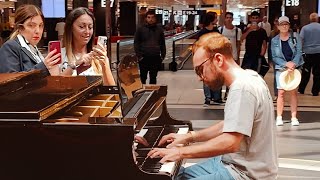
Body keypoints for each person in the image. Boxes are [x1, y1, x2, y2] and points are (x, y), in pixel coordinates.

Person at [148, 32, 278, 179]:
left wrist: (179, 152)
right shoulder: (250, 76)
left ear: (218, 59)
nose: (199, 77)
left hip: (245, 174)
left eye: (200, 69)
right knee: (176, 175)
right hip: (232, 162)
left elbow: (230, 143)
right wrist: (189, 137)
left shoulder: (242, 88)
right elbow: (230, 124)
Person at [59, 7, 115, 86]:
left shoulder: (97, 57)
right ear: (70, 28)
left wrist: (105, 64)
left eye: (90, 27)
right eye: (82, 27)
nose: (87, 32)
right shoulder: (60, 55)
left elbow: (111, 90)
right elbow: (55, 86)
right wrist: (74, 65)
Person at [0, 4, 60, 76]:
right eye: (31, 25)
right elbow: (10, 81)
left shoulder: (34, 48)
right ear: (20, 27)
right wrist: (43, 67)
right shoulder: (10, 47)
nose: (38, 31)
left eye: (40, 26)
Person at [271, 16, 304, 126]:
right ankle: (279, 117)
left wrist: (293, 63)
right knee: (281, 92)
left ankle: (294, 117)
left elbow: (299, 52)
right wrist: (286, 64)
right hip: (281, 68)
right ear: (278, 26)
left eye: (286, 24)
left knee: (293, 92)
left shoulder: (295, 37)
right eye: (282, 24)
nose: (284, 26)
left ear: (289, 25)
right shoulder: (275, 40)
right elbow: (274, 57)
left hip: (294, 67)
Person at [198, 11, 223, 106]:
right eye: (216, 18)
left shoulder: (216, 31)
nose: (217, 19)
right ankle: (208, 98)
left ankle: (217, 97)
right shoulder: (203, 32)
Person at [134, 10, 166, 84]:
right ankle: (142, 93)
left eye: (152, 17)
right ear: (146, 18)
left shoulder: (159, 30)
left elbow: (162, 43)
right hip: (144, 57)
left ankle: (152, 93)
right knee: (143, 77)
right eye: (149, 17)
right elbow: (136, 43)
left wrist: (162, 55)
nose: (151, 19)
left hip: (155, 57)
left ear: (155, 18)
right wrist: (139, 56)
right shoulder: (140, 29)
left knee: (153, 77)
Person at [218, 12, 242, 100]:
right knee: (221, 75)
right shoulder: (220, 30)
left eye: (230, 17)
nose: (228, 19)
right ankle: (219, 95)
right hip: (222, 56)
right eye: (227, 17)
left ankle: (228, 93)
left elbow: (238, 44)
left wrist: (238, 57)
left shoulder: (237, 30)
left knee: (231, 75)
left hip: (233, 56)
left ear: (232, 19)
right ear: (224, 19)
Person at [298, 12, 320, 96]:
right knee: (318, 73)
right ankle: (315, 91)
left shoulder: (305, 28)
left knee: (305, 72)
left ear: (310, 19)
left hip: (307, 53)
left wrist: (300, 51)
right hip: (319, 53)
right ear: (317, 19)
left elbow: (301, 40)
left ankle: (302, 89)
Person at [268, 17, 280, 101]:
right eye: (276, 21)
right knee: (277, 76)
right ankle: (277, 93)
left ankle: (282, 91)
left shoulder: (288, 32)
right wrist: (270, 59)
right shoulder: (272, 33)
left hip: (286, 57)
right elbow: (270, 47)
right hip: (276, 57)